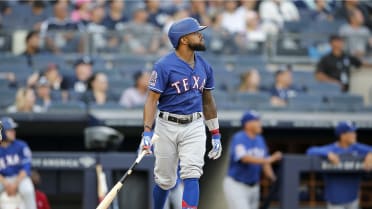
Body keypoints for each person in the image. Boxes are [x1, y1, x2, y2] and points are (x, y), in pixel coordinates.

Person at [139, 17, 222, 209]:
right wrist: (147, 131)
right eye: (196, 33)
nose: (201, 35)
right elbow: (151, 100)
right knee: (165, 180)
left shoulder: (205, 66)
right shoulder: (164, 65)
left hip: (194, 124)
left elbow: (208, 101)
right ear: (184, 40)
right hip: (167, 125)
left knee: (192, 172)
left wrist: (215, 133)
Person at [307, 121, 372, 209]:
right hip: (335, 200)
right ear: (342, 135)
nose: (354, 135)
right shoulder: (332, 148)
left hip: (353, 199)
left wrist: (370, 155)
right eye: (351, 132)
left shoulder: (356, 147)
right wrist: (327, 154)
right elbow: (310, 151)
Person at [224, 110, 282, 209]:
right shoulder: (239, 138)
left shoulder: (260, 139)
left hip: (254, 186)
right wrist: (270, 159)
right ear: (247, 124)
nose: (260, 123)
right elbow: (244, 158)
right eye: (257, 121)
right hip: (237, 184)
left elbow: (265, 162)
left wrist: (273, 178)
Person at [0, 117, 37, 209]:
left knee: (27, 190)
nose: (13, 132)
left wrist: (15, 184)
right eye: (10, 130)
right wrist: (6, 183)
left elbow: (26, 168)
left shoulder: (21, 145)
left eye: (13, 130)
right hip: (3, 179)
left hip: (20, 178)